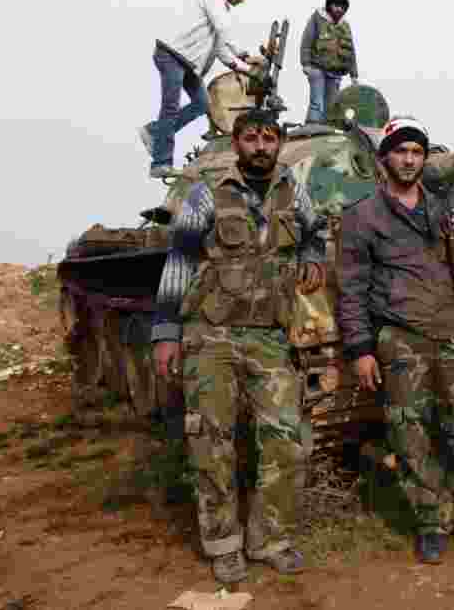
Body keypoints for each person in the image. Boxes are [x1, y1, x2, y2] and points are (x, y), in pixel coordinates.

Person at [151, 109, 328, 583]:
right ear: (236, 143)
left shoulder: (294, 190)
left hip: (269, 335)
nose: (261, 147)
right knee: (212, 441)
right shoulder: (208, 192)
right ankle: (223, 542)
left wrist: (313, 256)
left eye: (269, 138)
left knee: (285, 438)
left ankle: (268, 538)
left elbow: (316, 231)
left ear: (280, 143)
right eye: (252, 138)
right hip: (212, 334)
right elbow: (180, 259)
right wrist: (166, 330)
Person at [336, 116, 454, 565]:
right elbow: (351, 288)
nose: (409, 159)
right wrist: (360, 349)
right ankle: (432, 521)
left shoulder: (442, 209)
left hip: (451, 334)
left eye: (417, 152)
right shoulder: (362, 216)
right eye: (401, 151)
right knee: (411, 437)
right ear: (385, 158)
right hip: (401, 338)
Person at [139, 0, 264, 179]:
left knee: (203, 103)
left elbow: (222, 48)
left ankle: (154, 132)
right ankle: (161, 163)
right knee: (170, 107)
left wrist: (247, 65)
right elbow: (223, 33)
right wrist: (245, 59)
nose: (242, 0)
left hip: (187, 63)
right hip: (171, 55)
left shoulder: (221, 10)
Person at [299, 0, 359, 124]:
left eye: (342, 7)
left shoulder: (345, 26)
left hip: (336, 72)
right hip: (317, 68)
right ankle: (313, 125)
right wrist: (306, 64)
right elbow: (307, 40)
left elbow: (351, 52)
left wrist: (354, 75)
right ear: (329, 6)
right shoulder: (317, 18)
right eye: (336, 5)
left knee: (332, 103)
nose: (339, 9)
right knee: (317, 101)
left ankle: (329, 128)